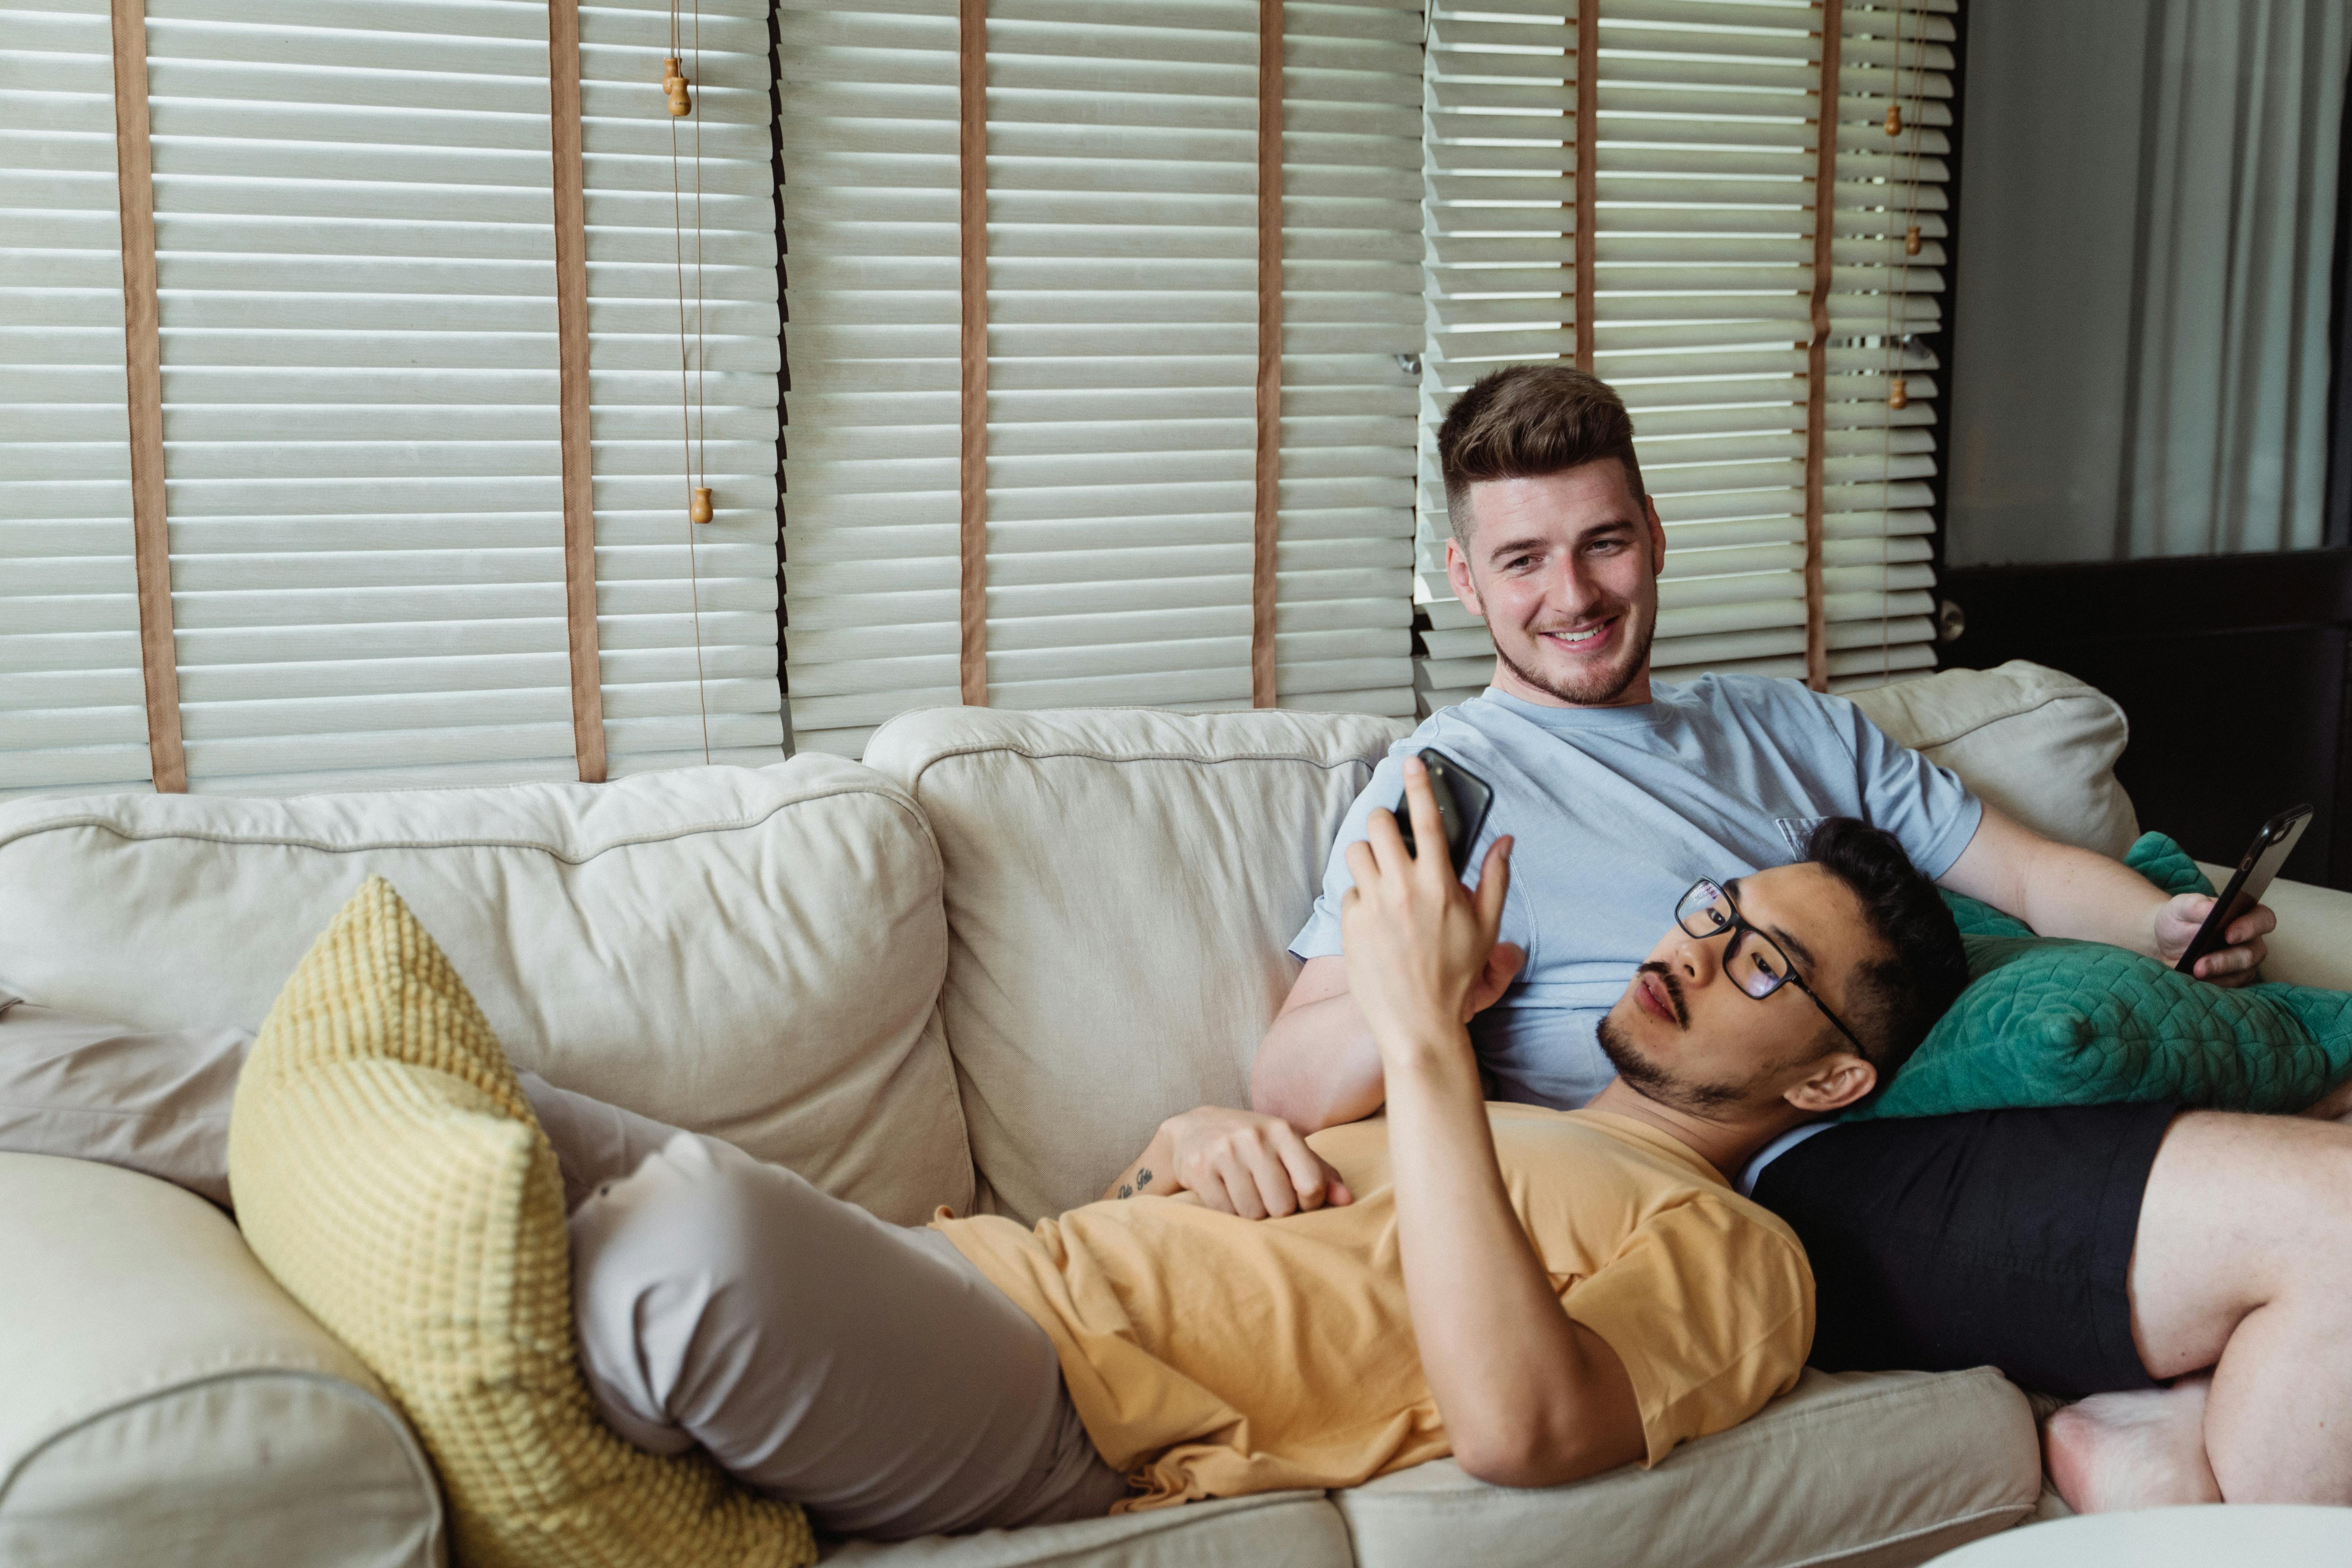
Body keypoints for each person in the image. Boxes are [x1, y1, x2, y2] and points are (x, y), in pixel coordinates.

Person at [0, 787, 1967, 1538]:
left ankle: (460, 1294)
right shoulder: (1488, 1120)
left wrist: (1419, 1054)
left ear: (1838, 1076)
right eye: (1716, 905)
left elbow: (1531, 1426)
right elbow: (1207, 1207)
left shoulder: (1739, 1258)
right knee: (436, 1078)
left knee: (668, 1243)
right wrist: (1208, 1132)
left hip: (1062, 1410)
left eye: (1767, 959)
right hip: (983, 1271)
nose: (1700, 947)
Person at [1210, 362, 2352, 1514]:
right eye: (1522, 560)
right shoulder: (1444, 791)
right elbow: (1290, 1079)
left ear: (1654, 535)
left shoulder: (1787, 724)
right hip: (1771, 1176)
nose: (1574, 594)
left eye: (1603, 542)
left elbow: (2030, 876)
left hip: (1934, 1092)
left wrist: (2163, 923)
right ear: (1464, 578)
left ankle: (2161, 1446)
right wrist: (1430, 989)